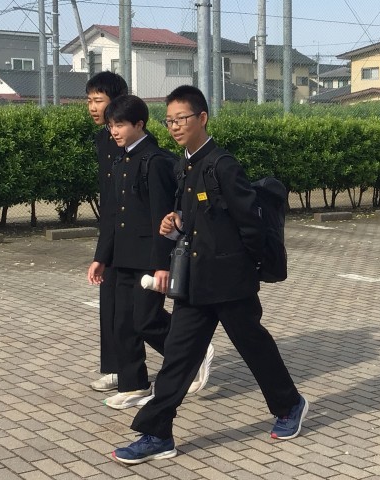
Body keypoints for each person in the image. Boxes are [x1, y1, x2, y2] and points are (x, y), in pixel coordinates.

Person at [112, 85, 307, 465]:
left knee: (255, 348)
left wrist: (248, 269)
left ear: (202, 118)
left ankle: (290, 405)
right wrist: (176, 223)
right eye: (169, 121)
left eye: (181, 119)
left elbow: (251, 224)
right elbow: (197, 220)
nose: (174, 126)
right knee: (178, 359)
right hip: (196, 284)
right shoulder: (182, 166)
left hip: (231, 283)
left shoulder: (223, 165)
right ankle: (157, 434)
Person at [88, 94, 178, 409]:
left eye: (120, 125)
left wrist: (161, 263)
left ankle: (189, 350)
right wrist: (101, 258)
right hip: (123, 258)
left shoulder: (155, 161)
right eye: (111, 125)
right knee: (122, 323)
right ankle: (134, 385)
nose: (114, 131)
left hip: (149, 258)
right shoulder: (121, 161)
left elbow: (162, 218)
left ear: (139, 124)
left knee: (145, 320)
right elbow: (113, 216)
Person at [85, 72, 128, 393]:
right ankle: (115, 369)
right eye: (89, 100)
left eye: (98, 100)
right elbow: (109, 201)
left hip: (132, 237)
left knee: (135, 311)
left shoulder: (131, 141)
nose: (91, 107)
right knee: (110, 304)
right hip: (112, 234)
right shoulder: (104, 140)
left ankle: (188, 349)